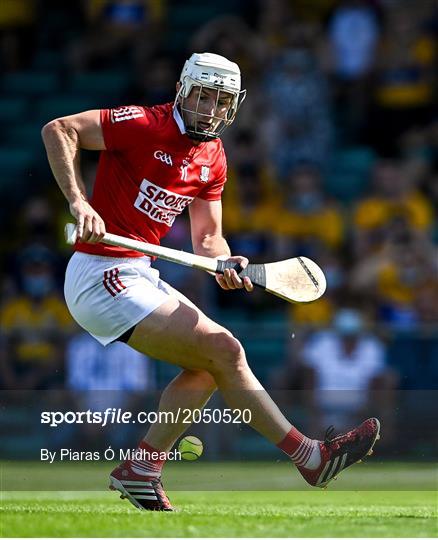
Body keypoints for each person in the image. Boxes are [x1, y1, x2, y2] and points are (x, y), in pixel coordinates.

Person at [42, 52, 380, 511]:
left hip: (139, 269)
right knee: (227, 349)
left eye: (222, 101)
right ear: (183, 89)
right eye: (203, 96)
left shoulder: (214, 155)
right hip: (100, 273)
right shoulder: (144, 123)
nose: (212, 109)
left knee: (208, 366)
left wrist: (223, 263)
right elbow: (59, 129)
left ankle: (141, 468)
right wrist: (80, 202)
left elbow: (208, 237)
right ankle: (309, 457)